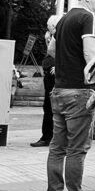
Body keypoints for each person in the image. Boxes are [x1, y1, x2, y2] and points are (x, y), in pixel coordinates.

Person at [45, 0, 95, 191]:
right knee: (77, 149)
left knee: (58, 147)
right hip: (79, 91)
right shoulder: (90, 18)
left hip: (59, 90)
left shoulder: (63, 19)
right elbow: (90, 54)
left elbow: (52, 50)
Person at [32, 15, 63, 147]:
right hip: (50, 72)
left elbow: (62, 52)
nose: (48, 28)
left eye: (49, 26)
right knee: (49, 106)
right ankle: (48, 136)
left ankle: (49, 137)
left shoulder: (60, 36)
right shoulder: (51, 37)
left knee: (51, 106)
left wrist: (60, 65)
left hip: (55, 73)